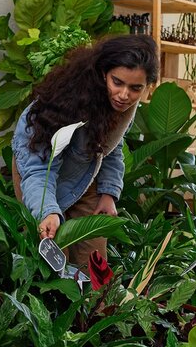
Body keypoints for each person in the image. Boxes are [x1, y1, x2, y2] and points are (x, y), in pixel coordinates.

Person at [12, 34, 159, 269]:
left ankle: (97, 306)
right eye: (117, 82)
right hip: (39, 174)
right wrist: (47, 211)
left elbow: (112, 145)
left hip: (83, 177)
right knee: (55, 259)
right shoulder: (66, 103)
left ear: (147, 86)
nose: (124, 95)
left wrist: (108, 192)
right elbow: (38, 168)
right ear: (103, 73)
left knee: (94, 263)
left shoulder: (123, 107)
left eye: (135, 88)